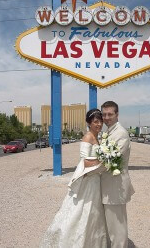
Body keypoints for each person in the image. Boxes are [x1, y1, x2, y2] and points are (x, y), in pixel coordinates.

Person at [40, 109, 107, 248]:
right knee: (81, 211)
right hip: (87, 180)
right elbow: (84, 161)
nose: (99, 124)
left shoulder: (98, 138)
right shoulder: (88, 137)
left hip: (96, 180)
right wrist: (105, 161)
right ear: (89, 123)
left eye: (100, 121)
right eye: (96, 121)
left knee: (94, 213)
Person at [101, 101, 135, 248]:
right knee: (111, 227)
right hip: (108, 186)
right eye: (104, 114)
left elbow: (111, 160)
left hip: (115, 187)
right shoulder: (109, 132)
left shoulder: (120, 133)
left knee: (117, 230)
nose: (106, 117)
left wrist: (87, 169)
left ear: (117, 114)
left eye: (110, 114)